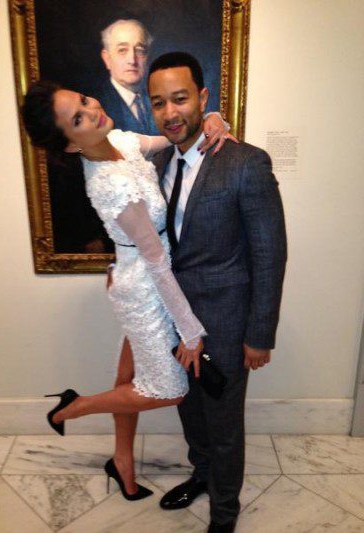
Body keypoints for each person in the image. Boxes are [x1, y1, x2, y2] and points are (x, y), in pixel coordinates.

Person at [21, 80, 232, 502]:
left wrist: (212, 119)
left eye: (84, 101)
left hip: (135, 272)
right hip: (147, 289)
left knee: (126, 380)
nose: (92, 110)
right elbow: (156, 262)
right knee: (169, 389)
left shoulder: (120, 140)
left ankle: (122, 462)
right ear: (70, 144)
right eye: (77, 119)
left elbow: (172, 139)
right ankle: (74, 407)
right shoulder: (110, 184)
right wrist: (191, 333)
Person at [147, 53, 287, 533]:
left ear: (203, 98)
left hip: (226, 323)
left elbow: (269, 255)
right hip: (174, 321)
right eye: (159, 103)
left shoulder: (246, 163)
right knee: (189, 409)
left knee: (224, 423)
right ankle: (202, 475)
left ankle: (224, 513)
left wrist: (259, 335)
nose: (170, 112)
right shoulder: (157, 161)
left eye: (180, 99)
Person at [98, 19, 157, 135]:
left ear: (148, 56)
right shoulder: (98, 105)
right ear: (107, 58)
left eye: (139, 50)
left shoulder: (159, 97)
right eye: (122, 50)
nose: (132, 60)